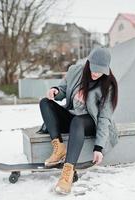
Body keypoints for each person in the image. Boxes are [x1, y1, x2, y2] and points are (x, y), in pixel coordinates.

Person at [39, 47, 119, 194]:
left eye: (100, 71)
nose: (96, 73)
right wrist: (56, 91)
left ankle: (67, 174)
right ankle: (59, 147)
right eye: (94, 69)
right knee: (45, 102)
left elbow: (104, 117)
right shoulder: (75, 71)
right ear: (88, 63)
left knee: (78, 121)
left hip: (89, 122)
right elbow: (63, 89)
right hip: (71, 115)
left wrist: (99, 147)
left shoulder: (108, 86)